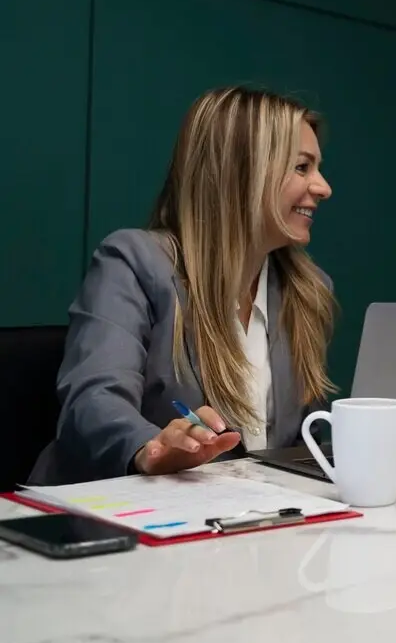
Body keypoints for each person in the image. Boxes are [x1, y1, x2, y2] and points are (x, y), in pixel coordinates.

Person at [30, 86, 337, 484]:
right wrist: (151, 450)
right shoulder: (134, 262)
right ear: (240, 170)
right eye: (302, 167)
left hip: (245, 522)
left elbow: (300, 440)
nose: (323, 187)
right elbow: (94, 402)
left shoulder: (308, 290)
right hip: (105, 521)